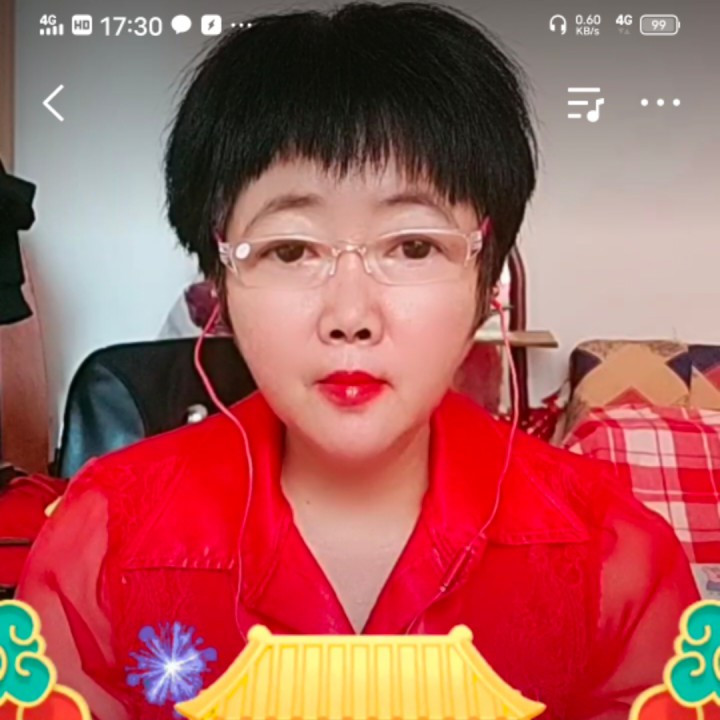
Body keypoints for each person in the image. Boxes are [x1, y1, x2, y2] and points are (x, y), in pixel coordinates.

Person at [17, 3, 698, 719]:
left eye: (413, 246)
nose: (350, 316)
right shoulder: (102, 542)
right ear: (218, 278)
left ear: (486, 274)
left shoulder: (611, 555)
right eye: (290, 250)